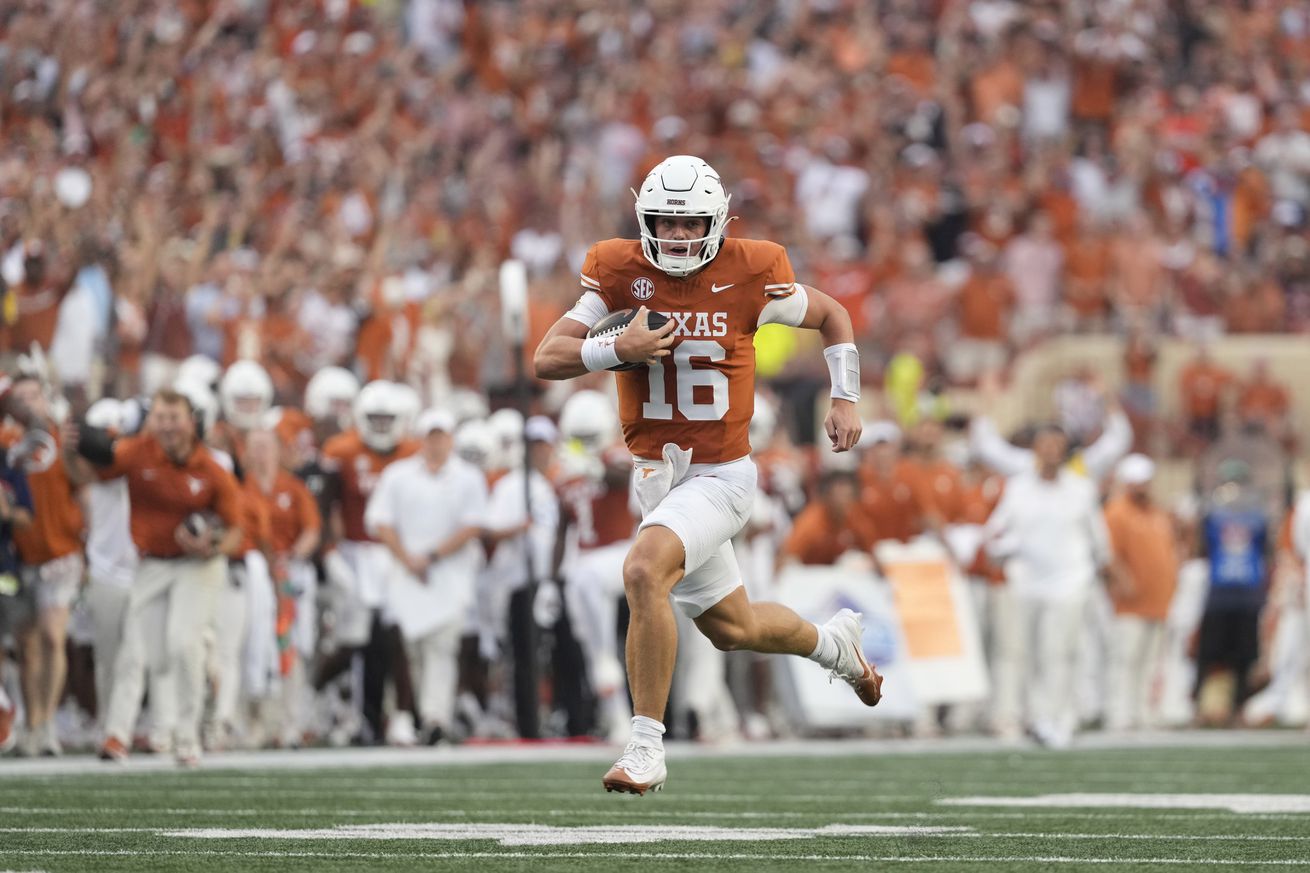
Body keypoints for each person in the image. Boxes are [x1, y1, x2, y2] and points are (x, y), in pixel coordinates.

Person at [534, 155, 881, 795]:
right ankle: (835, 646)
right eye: (665, 224)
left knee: (642, 571)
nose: (678, 237)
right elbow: (548, 357)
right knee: (733, 629)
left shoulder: (751, 269)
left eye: (691, 223)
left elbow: (833, 314)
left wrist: (845, 396)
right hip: (657, 480)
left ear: (715, 221)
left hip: (720, 475)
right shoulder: (617, 271)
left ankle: (644, 747)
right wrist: (616, 348)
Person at [65, 388, 244, 766]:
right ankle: (193, 686)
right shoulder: (138, 451)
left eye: (174, 418)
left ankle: (187, 736)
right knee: (159, 658)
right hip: (151, 565)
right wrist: (70, 448)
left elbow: (235, 531)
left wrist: (209, 544)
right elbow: (89, 475)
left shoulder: (211, 467)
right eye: (160, 418)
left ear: (191, 422)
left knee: (183, 643)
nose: (167, 426)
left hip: (197, 565)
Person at [984, 423, 1112, 747]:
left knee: (1060, 653)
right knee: (1027, 654)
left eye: (1058, 445)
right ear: (1035, 449)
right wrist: (1006, 551)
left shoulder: (1081, 489)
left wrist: (1092, 573)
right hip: (1027, 583)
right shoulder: (1018, 488)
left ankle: (1061, 719)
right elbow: (995, 533)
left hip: (1069, 583)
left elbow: (1099, 540)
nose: (1052, 451)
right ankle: (1037, 717)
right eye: (1046, 444)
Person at [365, 409, 486, 745]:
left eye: (442, 436)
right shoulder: (398, 475)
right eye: (431, 436)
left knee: (442, 647)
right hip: (405, 574)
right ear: (422, 439)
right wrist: (408, 559)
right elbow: (380, 521)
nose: (437, 443)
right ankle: (408, 714)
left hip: (449, 575)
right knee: (408, 649)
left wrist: (431, 557)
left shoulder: (467, 477)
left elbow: (472, 525)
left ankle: (436, 718)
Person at [4, 375, 85, 756]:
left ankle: (48, 722)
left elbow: (83, 484)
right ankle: (33, 721)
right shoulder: (6, 442)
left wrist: (86, 546)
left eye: (32, 396)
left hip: (61, 551)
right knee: (28, 645)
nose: (27, 404)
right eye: (19, 398)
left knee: (54, 636)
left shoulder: (62, 435)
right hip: (20, 556)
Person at [1102, 454, 1180, 731]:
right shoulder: (1116, 512)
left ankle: (1144, 712)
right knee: (1125, 660)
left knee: (1149, 664)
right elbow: (1108, 553)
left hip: (1158, 601)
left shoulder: (1158, 513)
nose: (1143, 487)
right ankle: (1119, 713)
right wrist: (1123, 580)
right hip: (1129, 603)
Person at [0, 439, 33, 754]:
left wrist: (6, 511)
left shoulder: (8, 462)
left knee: (10, 640)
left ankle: (9, 709)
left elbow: (27, 516)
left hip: (3, 569)